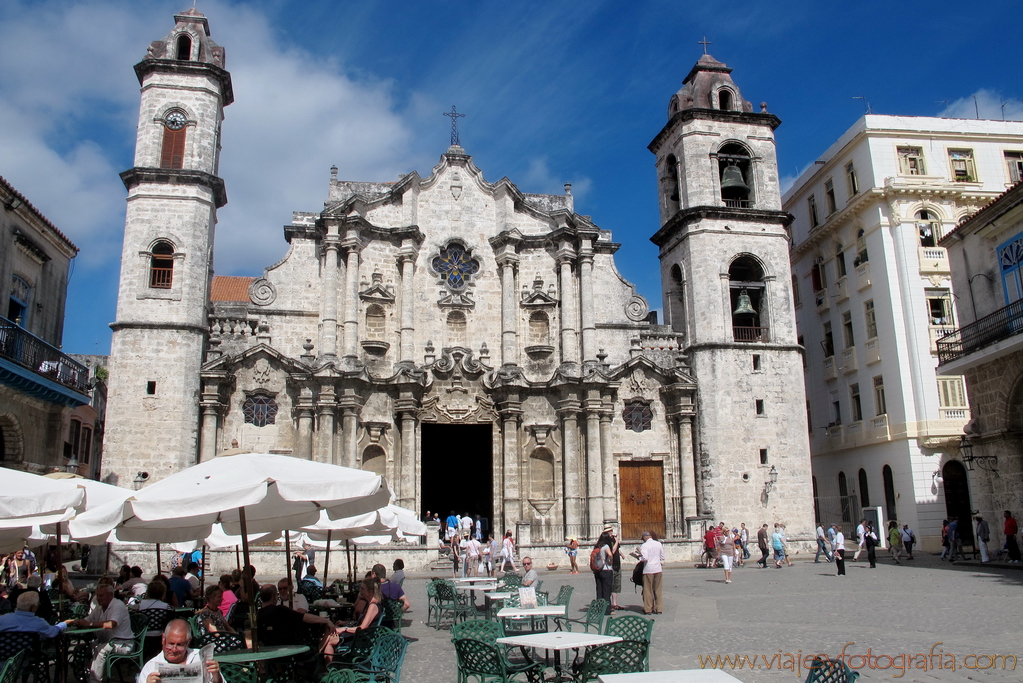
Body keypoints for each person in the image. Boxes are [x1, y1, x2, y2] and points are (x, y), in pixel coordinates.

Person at [76, 584, 135, 683]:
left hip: (122, 643)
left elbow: (112, 624)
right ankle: (84, 677)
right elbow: (88, 620)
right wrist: (79, 622)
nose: (98, 598)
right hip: (105, 641)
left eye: (101, 595)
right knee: (80, 649)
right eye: (97, 595)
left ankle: (95, 681)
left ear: (110, 595)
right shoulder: (99, 607)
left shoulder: (118, 605)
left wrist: (90, 624)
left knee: (101, 650)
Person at [140, 619, 222, 683]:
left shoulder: (200, 656)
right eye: (171, 644)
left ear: (188, 642)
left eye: (180, 645)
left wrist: (217, 677)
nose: (174, 649)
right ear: (163, 639)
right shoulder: (150, 667)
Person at [256, 584, 336, 646]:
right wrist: (326, 620)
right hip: (289, 646)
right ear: (274, 597)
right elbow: (303, 617)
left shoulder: (258, 614)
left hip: (268, 647)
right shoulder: (280, 610)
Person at [0, 590, 73, 639]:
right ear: (33, 608)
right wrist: (64, 623)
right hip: (27, 657)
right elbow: (53, 632)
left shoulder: (3, 619)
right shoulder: (39, 622)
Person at [639, 530, 664, 615]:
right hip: (658, 568)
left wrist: (638, 557)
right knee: (658, 589)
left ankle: (648, 608)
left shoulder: (644, 546)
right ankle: (659, 608)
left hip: (648, 569)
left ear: (644, 538)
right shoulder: (658, 544)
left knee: (647, 590)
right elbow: (662, 556)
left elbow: (645, 558)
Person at [592, 529, 616, 614]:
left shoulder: (597, 546)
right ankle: (606, 610)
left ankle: (599, 608)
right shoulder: (606, 546)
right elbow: (610, 554)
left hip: (598, 571)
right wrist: (611, 561)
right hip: (606, 570)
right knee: (606, 590)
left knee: (599, 590)